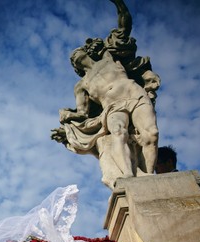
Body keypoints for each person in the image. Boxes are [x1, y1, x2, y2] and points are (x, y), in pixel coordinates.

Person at [55, 38, 159, 188]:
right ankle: (128, 174)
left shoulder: (108, 58)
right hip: (112, 106)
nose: (76, 56)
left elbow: (121, 36)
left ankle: (148, 177)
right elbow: (82, 113)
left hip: (134, 93)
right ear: (76, 66)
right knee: (118, 132)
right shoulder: (81, 85)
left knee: (151, 134)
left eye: (78, 53)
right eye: (74, 59)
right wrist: (68, 116)